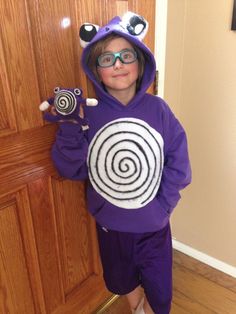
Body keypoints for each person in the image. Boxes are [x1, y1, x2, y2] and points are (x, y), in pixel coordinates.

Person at [51, 12, 191, 314]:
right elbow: (71, 168)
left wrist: (163, 206)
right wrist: (69, 126)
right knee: (119, 280)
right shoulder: (89, 114)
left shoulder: (159, 110)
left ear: (140, 64)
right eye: (107, 58)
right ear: (95, 69)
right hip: (110, 226)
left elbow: (179, 161)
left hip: (154, 226)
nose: (117, 63)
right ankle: (137, 306)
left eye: (126, 55)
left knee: (161, 291)